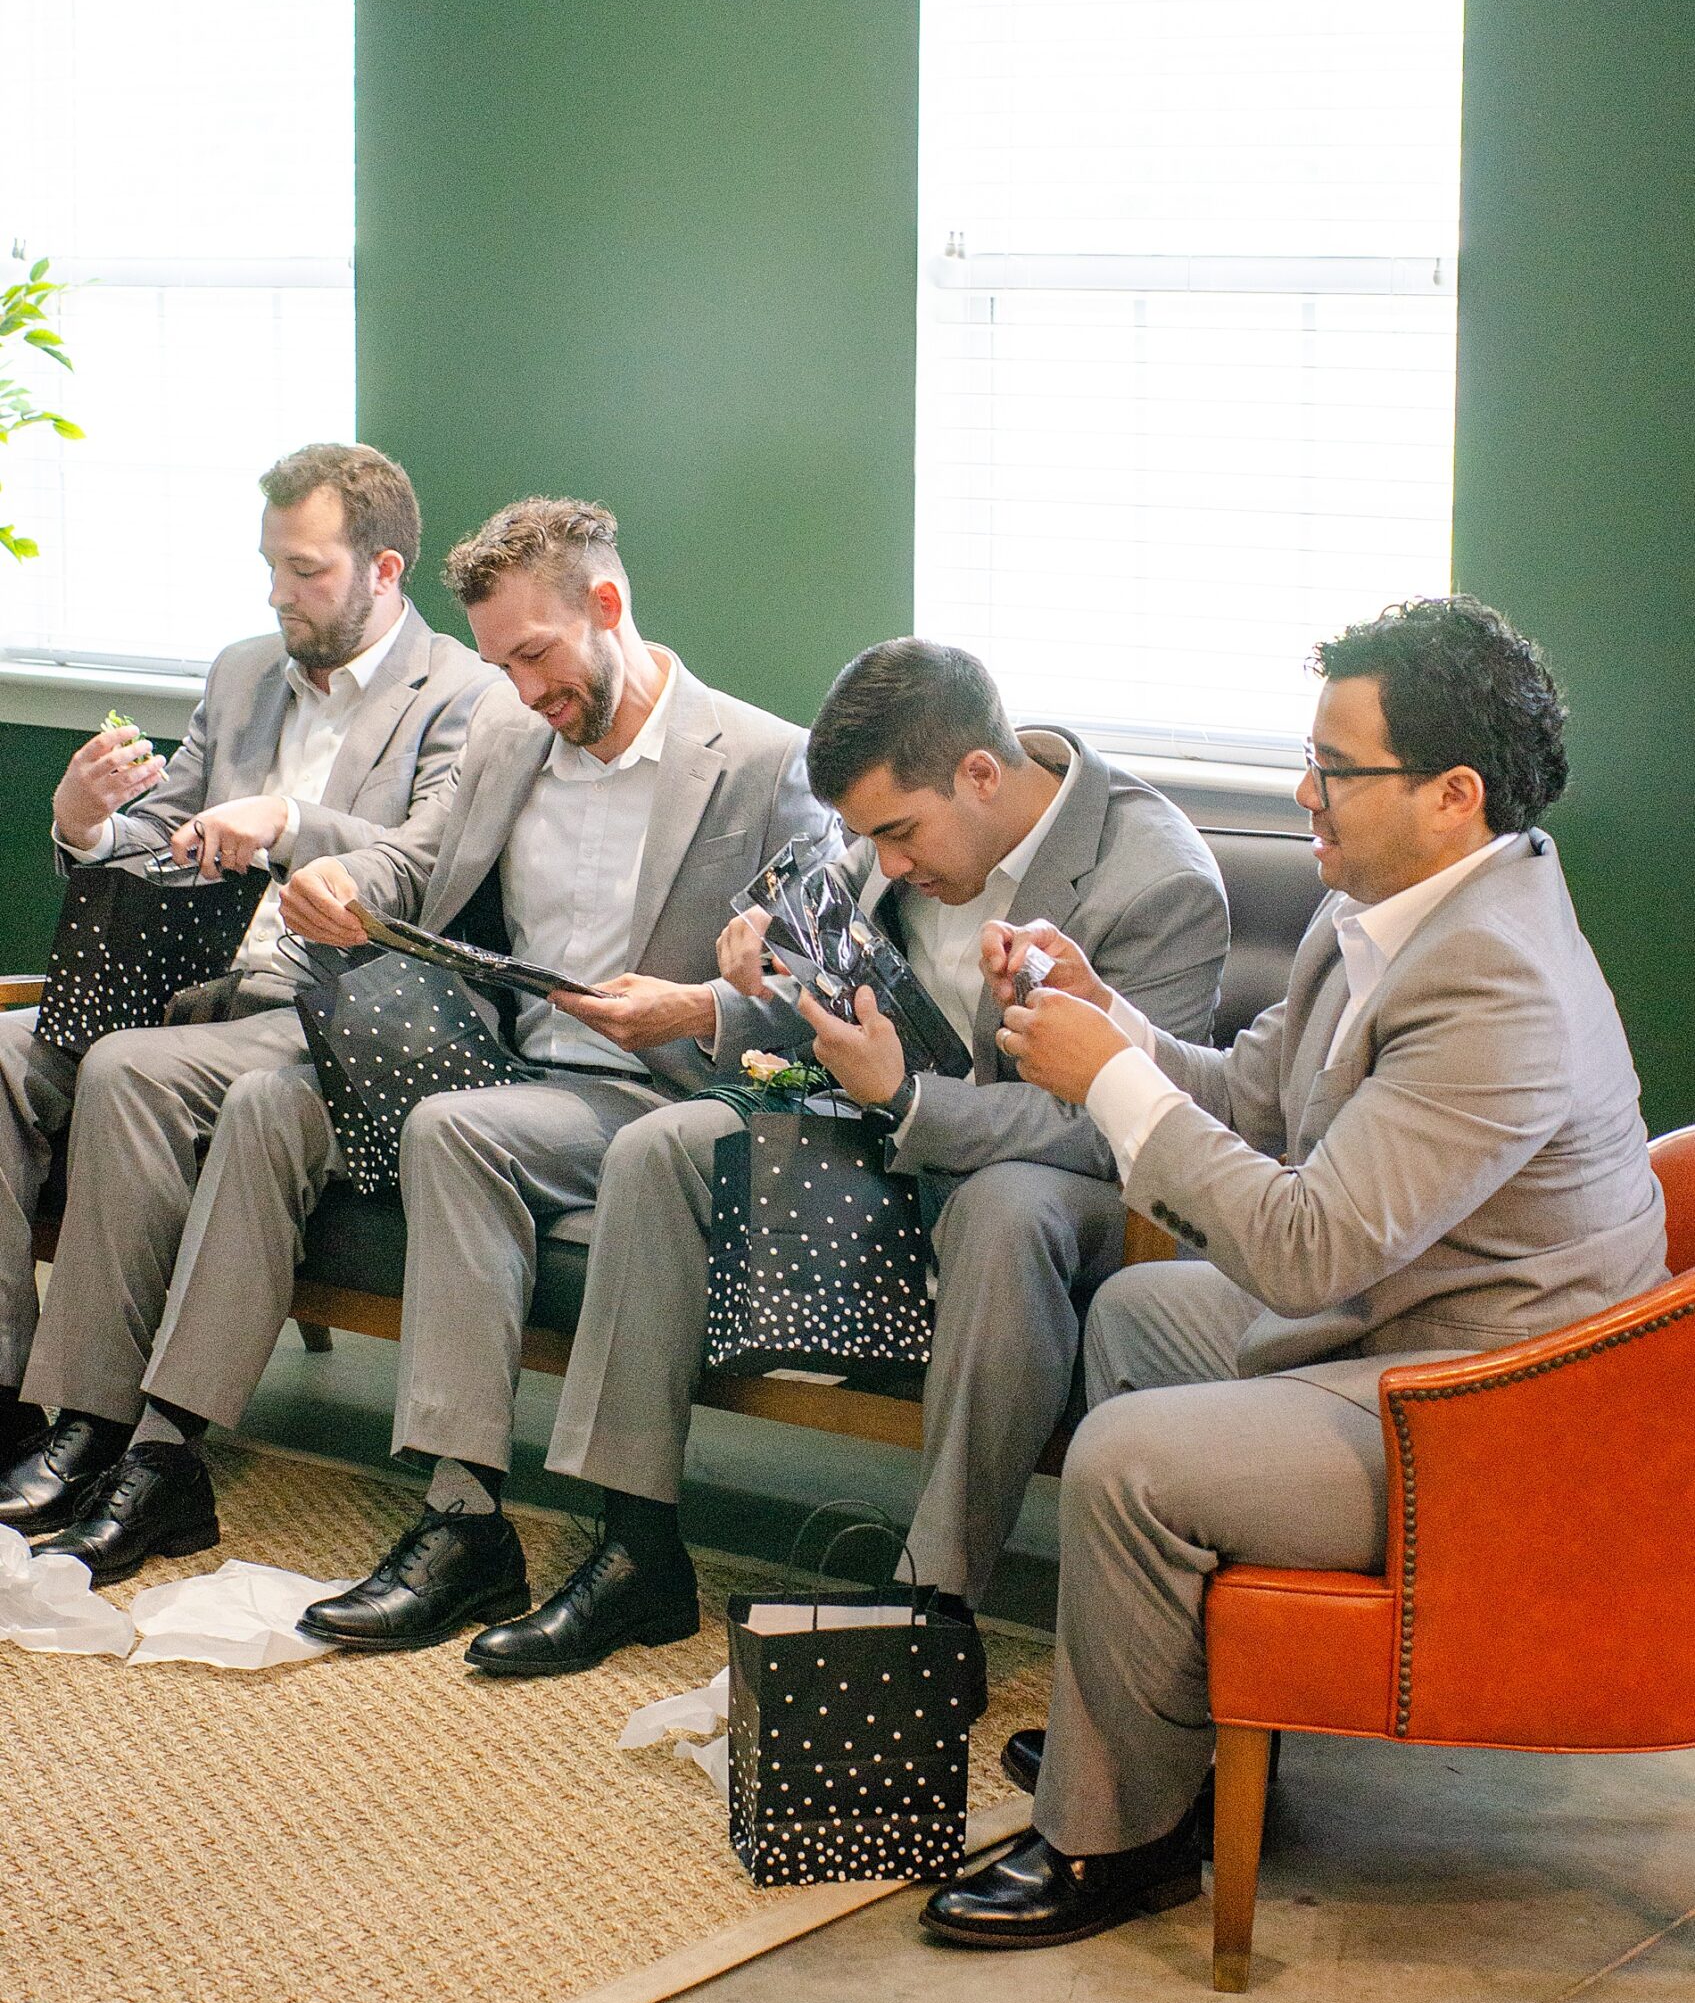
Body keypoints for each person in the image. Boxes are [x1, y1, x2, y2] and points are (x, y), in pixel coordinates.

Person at [920, 596, 1669, 1948]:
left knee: (1131, 1458)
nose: (1301, 790)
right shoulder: (1378, 909)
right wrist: (1111, 1023)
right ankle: (1174, 1747)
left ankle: (1115, 1846)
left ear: (1452, 794)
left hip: (1490, 1411)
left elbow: (1306, 1247)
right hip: (1414, 1324)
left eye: (1334, 768)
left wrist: (1109, 1091)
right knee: (1141, 1314)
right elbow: (1252, 1100)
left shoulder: (1493, 981)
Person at [31, 495, 828, 1602]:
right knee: (270, 1099)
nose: (527, 691)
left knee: (456, 1129)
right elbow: (414, 860)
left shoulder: (764, 762)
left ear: (608, 604)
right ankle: (167, 1453)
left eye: (540, 656)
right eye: (503, 665)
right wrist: (348, 880)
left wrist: (695, 1008)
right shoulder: (512, 732)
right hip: (492, 1057)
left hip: (647, 1089)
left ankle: (464, 1519)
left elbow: (822, 1000)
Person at [462, 636, 1230, 1681]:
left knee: (1008, 1211)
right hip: (890, 1133)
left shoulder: (1159, 880)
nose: (890, 863)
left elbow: (1125, 1126)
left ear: (980, 774)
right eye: (872, 839)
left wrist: (907, 1099)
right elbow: (843, 1000)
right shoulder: (889, 834)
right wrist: (756, 989)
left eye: (901, 835)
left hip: (1058, 1182)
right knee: (663, 1150)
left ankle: (938, 1600)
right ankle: (635, 1545)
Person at [0, 441, 492, 1506]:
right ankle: (7, 1397)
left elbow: (428, 866)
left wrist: (291, 823)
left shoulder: (464, 695)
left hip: (325, 1007)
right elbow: (162, 837)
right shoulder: (238, 672)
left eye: (305, 568)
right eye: (270, 564)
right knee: (1, 1051)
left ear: (384, 569)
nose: (278, 593)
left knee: (130, 1069)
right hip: (183, 979)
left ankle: (97, 1419)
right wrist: (86, 824)